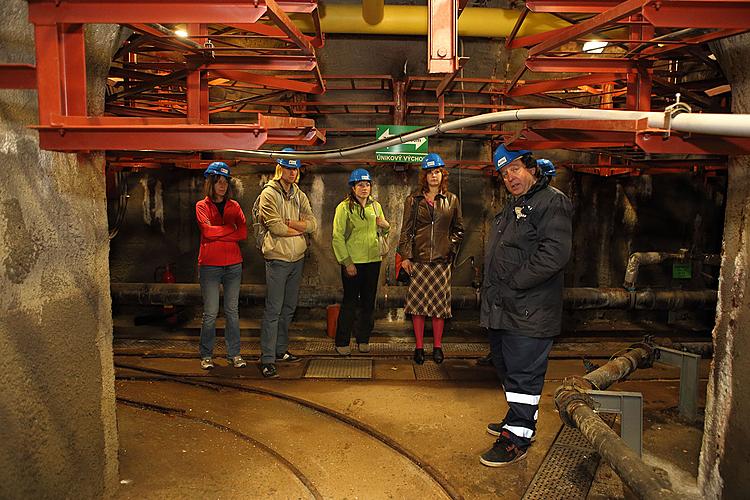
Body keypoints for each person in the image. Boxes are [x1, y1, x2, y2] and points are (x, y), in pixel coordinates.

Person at [479, 146, 572, 467]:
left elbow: (554, 254)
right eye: (504, 174)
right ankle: (516, 418)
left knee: (523, 376)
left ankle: (518, 437)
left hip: (529, 309)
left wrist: (514, 282)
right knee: (507, 369)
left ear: (532, 168)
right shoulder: (518, 204)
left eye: (515, 169)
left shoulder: (552, 202)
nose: (510, 178)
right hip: (506, 307)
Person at [398, 153, 464, 365]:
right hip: (419, 259)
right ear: (424, 176)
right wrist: (406, 257)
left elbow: (459, 229)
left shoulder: (452, 200)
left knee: (439, 307)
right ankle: (419, 348)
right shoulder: (413, 200)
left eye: (437, 172)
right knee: (418, 306)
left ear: (442, 175)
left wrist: (449, 248)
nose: (433, 176)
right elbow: (406, 230)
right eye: (429, 172)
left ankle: (437, 346)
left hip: (441, 262)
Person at [257, 148, 317, 378]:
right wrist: (297, 230)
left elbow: (312, 224)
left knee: (288, 307)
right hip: (278, 259)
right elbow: (275, 227)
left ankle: (280, 350)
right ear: (280, 168)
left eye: (295, 168)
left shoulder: (299, 194)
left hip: (297, 259)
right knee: (273, 309)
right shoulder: (269, 194)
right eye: (289, 168)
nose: (292, 173)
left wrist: (291, 224)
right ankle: (267, 359)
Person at [195, 161, 248, 370]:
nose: (222, 186)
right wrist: (229, 229)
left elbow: (243, 233)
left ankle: (234, 354)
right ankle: (206, 355)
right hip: (210, 266)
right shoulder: (201, 206)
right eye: (218, 181)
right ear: (210, 183)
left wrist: (218, 233)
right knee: (210, 312)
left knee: (232, 311)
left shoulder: (234, 206)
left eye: (225, 182)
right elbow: (207, 233)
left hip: (233, 265)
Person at [331, 168, 390, 355]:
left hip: (373, 261)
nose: (364, 188)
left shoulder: (376, 207)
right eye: (360, 185)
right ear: (353, 187)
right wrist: (347, 262)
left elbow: (382, 232)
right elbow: (337, 237)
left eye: (367, 184)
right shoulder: (344, 208)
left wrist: (387, 227)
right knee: (349, 302)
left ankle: (363, 339)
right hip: (353, 263)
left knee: (368, 303)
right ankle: (342, 342)